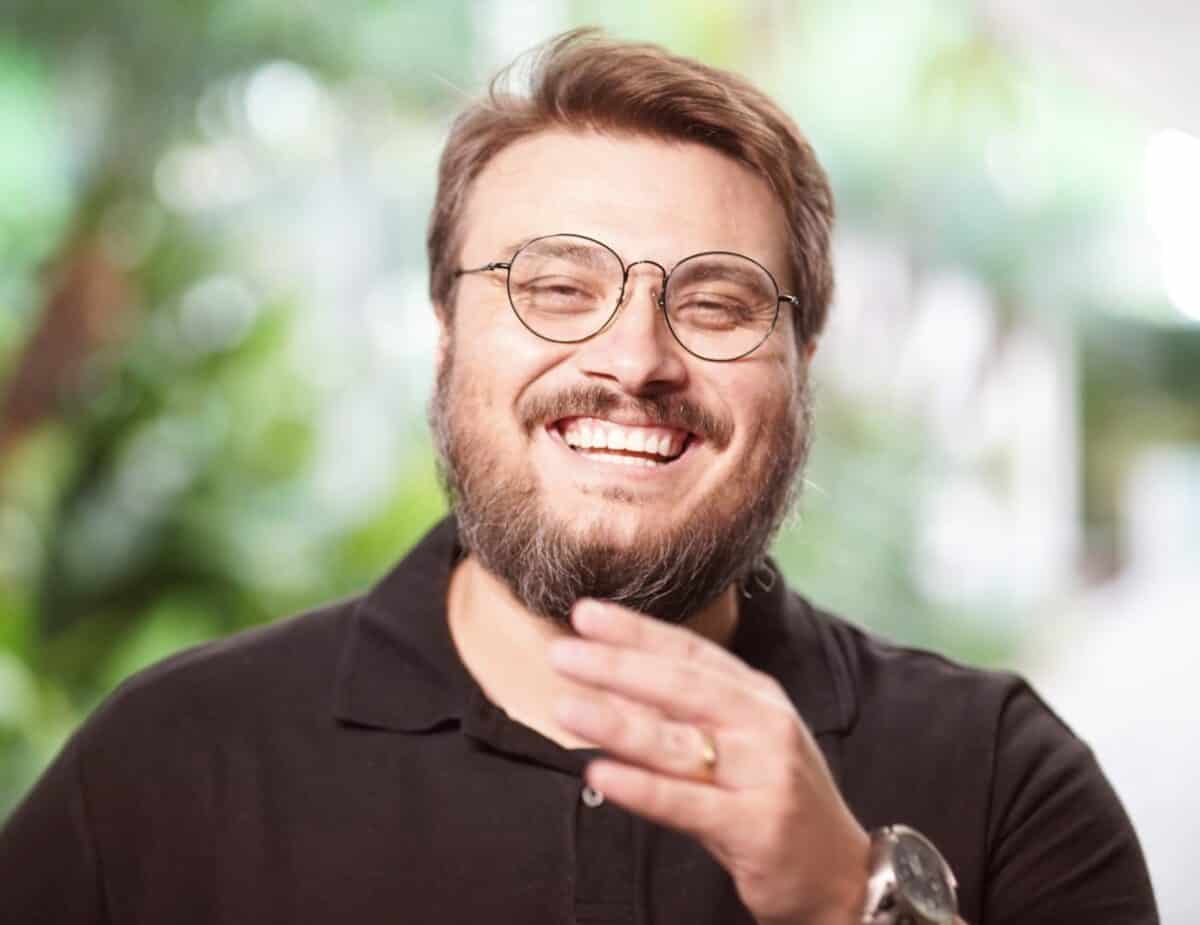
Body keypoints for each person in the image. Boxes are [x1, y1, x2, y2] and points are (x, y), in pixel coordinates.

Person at [0, 29, 1157, 925]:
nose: (635, 361)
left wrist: (845, 898)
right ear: (447, 329)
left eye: (714, 302)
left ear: (803, 361)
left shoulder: (1005, 774)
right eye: (556, 287)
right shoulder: (167, 767)